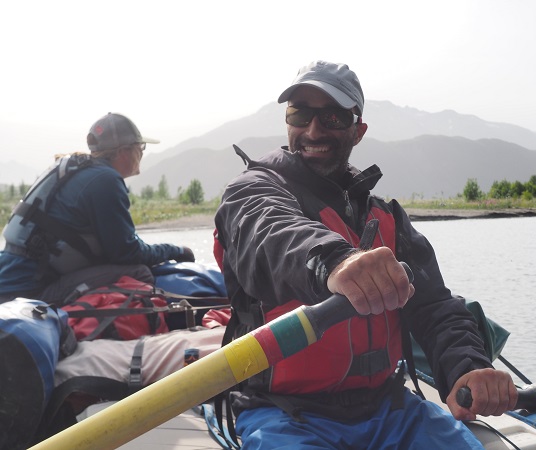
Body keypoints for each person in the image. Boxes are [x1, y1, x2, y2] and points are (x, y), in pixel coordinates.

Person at [213, 61, 518, 449]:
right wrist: (337, 261)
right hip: (285, 413)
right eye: (300, 113)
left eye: (333, 117)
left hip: (387, 409)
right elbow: (272, 233)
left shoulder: (386, 216)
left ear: (358, 131)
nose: (313, 130)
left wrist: (469, 366)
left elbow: (434, 307)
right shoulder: (253, 191)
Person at [0, 112, 195, 305]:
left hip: (11, 283)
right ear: (123, 151)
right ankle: (96, 333)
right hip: (28, 295)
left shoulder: (77, 170)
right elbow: (127, 253)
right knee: (139, 273)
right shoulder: (105, 180)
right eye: (141, 147)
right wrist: (176, 250)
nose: (142, 153)